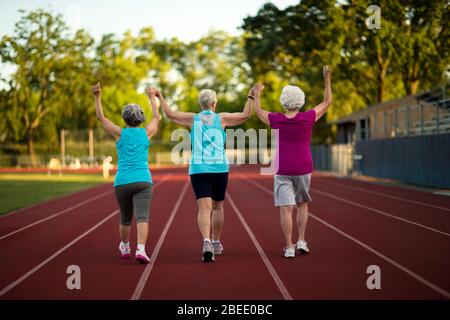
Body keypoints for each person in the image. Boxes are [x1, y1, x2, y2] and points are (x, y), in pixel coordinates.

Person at [156, 87, 254, 262]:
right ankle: (216, 241)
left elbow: (169, 114)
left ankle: (206, 241)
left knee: (204, 208)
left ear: (200, 104)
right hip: (219, 169)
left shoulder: (192, 119)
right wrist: (251, 96)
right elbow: (246, 114)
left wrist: (159, 96)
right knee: (218, 207)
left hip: (199, 169)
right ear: (214, 103)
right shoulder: (221, 118)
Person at [253, 66, 332, 258]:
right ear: (301, 100)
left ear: (283, 100)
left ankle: (289, 246)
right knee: (302, 204)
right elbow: (327, 102)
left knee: (285, 208)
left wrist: (256, 94)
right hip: (303, 167)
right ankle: (302, 241)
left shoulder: (276, 119)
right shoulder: (308, 118)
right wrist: (327, 79)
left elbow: (258, 111)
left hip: (282, 168)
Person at [91, 83, 160, 264]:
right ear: (140, 119)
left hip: (122, 182)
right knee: (142, 217)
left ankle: (125, 246)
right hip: (143, 180)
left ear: (125, 118)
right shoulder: (146, 133)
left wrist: (97, 97)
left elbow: (101, 118)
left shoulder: (119, 133)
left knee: (125, 217)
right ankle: (141, 249)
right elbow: (156, 117)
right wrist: (152, 98)